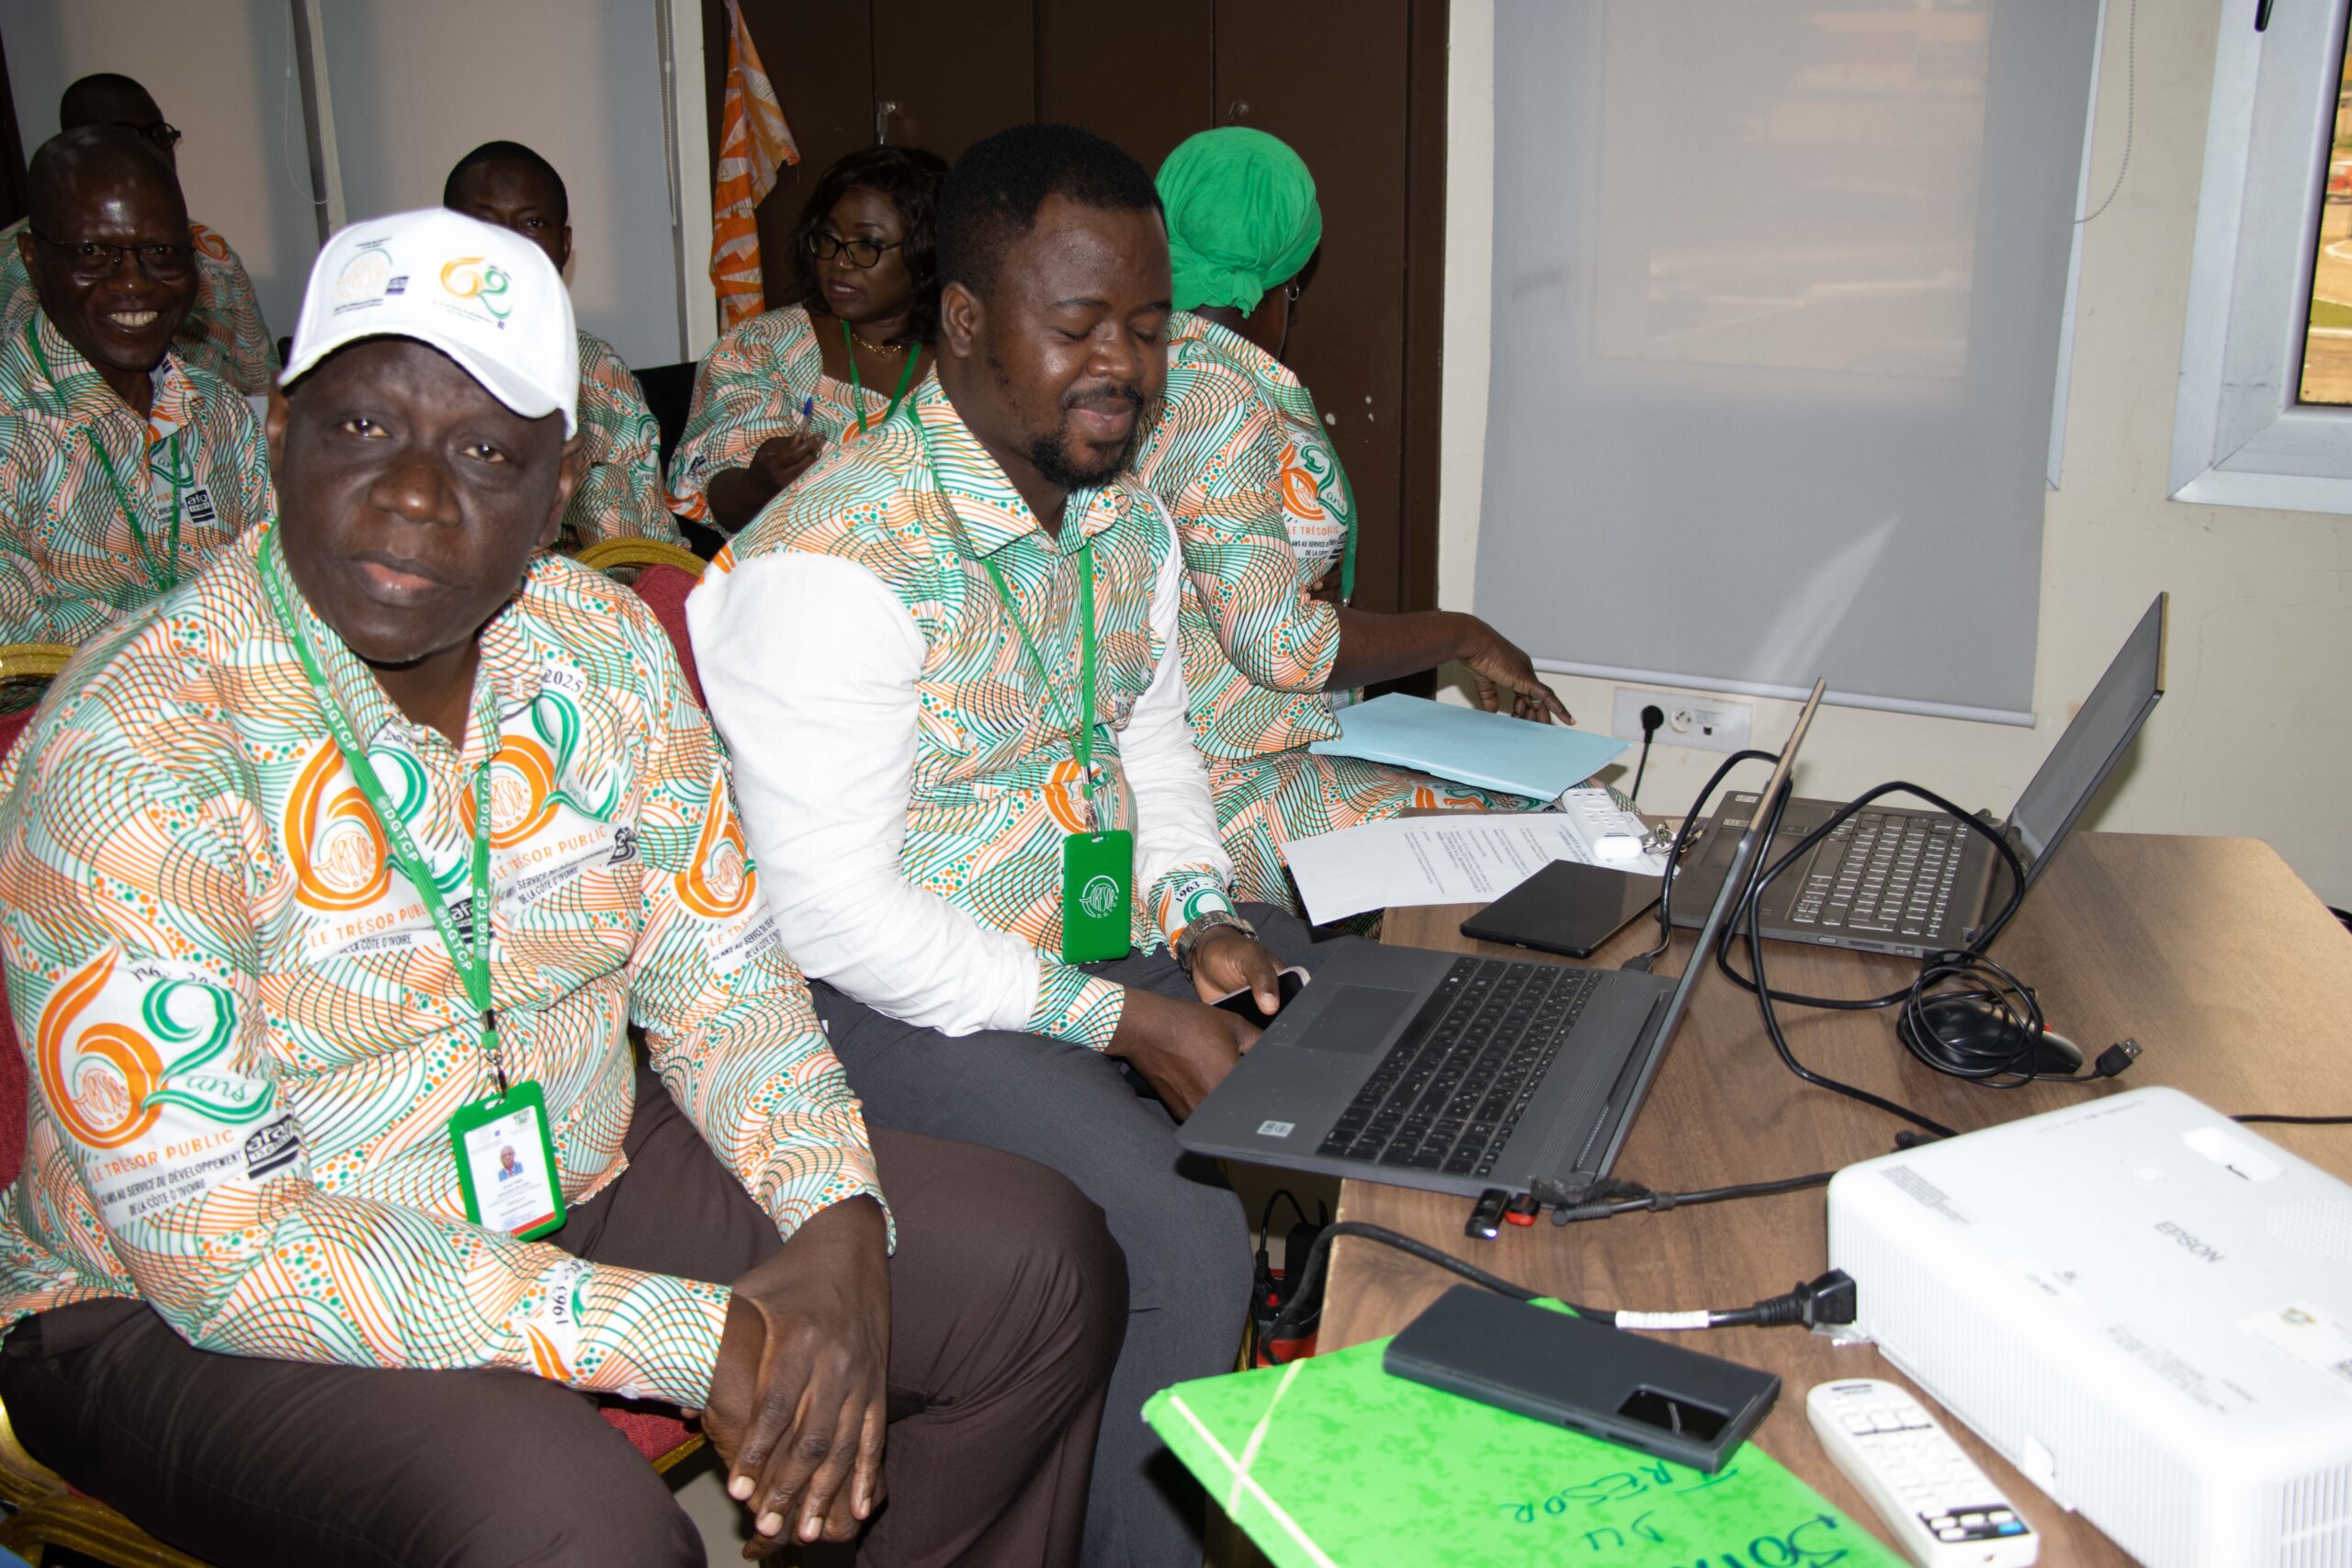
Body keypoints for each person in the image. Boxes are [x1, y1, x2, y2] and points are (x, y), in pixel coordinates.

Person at [0, 207, 1124, 1568]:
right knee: (571, 1527)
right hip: (184, 1293)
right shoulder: (136, 744)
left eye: (485, 451)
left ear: (560, 490)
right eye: (362, 426)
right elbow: (221, 1243)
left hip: (569, 1158)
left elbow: (721, 976)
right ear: (281, 431)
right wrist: (697, 1333)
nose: (414, 494)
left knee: (1035, 1268)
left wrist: (833, 1214)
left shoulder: (599, 647)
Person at [692, 123, 1363, 1568]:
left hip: (1080, 937)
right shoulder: (833, 559)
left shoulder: (1123, 519)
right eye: (1078, 325)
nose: (1123, 363)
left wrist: (1199, 915)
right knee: (1177, 1223)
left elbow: (1150, 742)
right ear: (962, 319)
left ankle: (1316, 1466)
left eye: (1148, 325)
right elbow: (832, 915)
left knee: (1367, 1028)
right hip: (868, 996)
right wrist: (1131, 1019)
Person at [1132, 128, 1573, 909]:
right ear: (1283, 277)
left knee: (1553, 819)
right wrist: (1463, 634)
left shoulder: (1169, 371)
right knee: (1551, 838)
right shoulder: (1217, 397)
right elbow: (1278, 644)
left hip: (1258, 748)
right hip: (1221, 785)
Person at [0, 126, 269, 649]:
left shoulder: (220, 411)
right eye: (91, 252)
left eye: (162, 251)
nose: (134, 282)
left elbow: (276, 586)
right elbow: (17, 662)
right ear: (32, 258)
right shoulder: (14, 433)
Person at [668, 144, 946, 535]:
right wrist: (757, 485)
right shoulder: (762, 347)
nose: (839, 261)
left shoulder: (970, 356)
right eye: (828, 239)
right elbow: (717, 500)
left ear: (927, 253)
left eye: (867, 245)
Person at [445, 139, 684, 553]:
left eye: (532, 223)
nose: (510, 243)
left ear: (564, 245)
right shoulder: (412, 365)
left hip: (606, 589)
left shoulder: (600, 369)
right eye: (484, 223)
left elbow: (654, 544)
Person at [0, 73, 277, 396]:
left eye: (157, 133)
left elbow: (263, 381)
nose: (149, 148)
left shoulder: (210, 249)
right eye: (91, 252)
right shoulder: (11, 262)